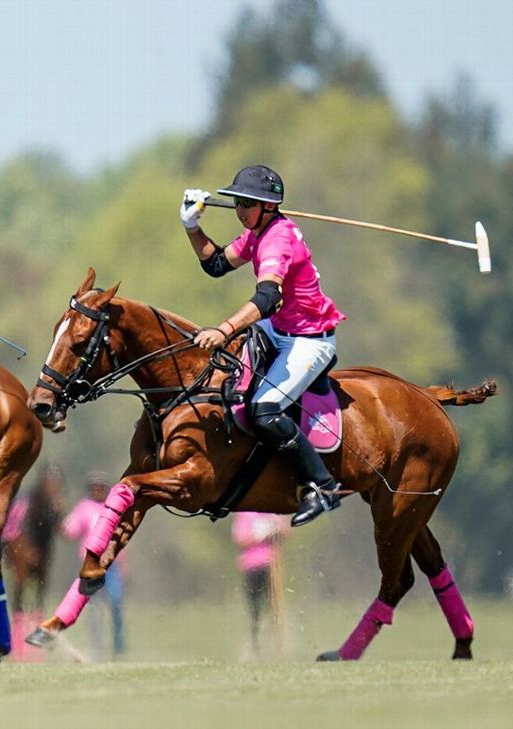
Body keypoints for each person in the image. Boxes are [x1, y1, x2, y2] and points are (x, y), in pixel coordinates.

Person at [180, 165, 347, 527]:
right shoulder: (258, 232)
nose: (239, 209)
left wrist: (224, 329)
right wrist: (192, 227)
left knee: (264, 409)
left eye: (247, 203)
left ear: (268, 207)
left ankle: (322, 486)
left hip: (308, 339)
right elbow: (218, 264)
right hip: (279, 329)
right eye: (237, 201)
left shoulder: (276, 239)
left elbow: (268, 297)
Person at [61, 472, 127, 659]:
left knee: (115, 602)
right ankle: (97, 645)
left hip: (111, 563)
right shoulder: (83, 508)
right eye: (94, 487)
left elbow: (122, 534)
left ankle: (119, 645)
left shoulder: (113, 508)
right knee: (94, 607)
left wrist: (124, 561)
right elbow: (71, 530)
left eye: (101, 487)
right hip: (90, 564)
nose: (97, 490)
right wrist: (65, 527)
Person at [232, 511, 290, 658]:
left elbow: (286, 531)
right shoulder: (246, 514)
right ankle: (255, 643)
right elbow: (239, 538)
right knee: (255, 607)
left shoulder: (275, 511)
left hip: (271, 564)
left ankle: (276, 642)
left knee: (273, 606)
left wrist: (275, 530)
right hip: (251, 565)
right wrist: (257, 535)